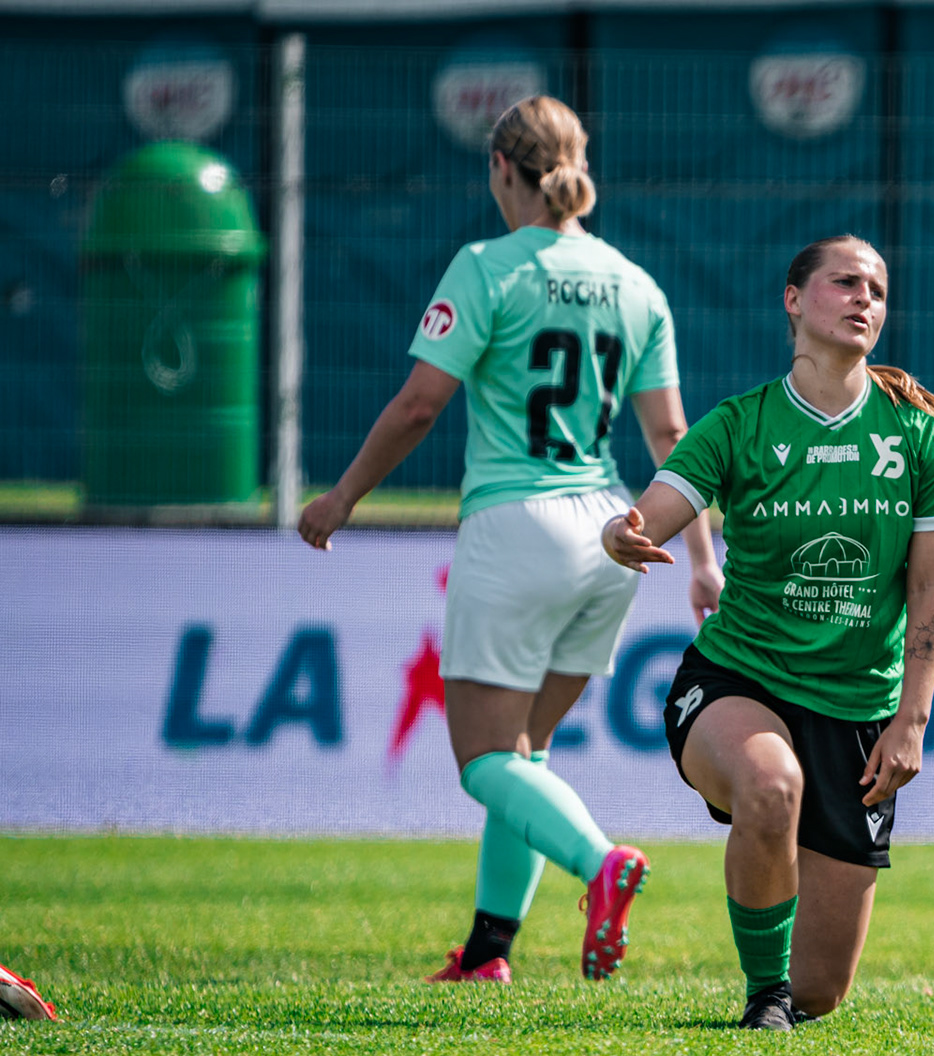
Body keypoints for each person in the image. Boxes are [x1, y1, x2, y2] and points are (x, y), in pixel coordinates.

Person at [298, 96, 722, 984]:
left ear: (501, 170)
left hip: (516, 527)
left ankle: (602, 863)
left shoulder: (488, 267)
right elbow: (673, 439)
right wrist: (702, 557)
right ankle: (488, 953)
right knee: (525, 755)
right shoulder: (635, 284)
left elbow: (420, 404)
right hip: (610, 532)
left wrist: (342, 497)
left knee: (485, 761)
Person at [601, 235, 934, 1031]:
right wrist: (618, 535)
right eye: (843, 282)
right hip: (738, 680)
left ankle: (786, 989)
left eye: (876, 286)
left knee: (823, 993)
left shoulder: (923, 432)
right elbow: (652, 510)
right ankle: (760, 1000)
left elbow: (932, 589)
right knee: (772, 788)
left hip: (858, 713)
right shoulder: (741, 424)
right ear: (794, 300)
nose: (863, 297)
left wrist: (910, 720)